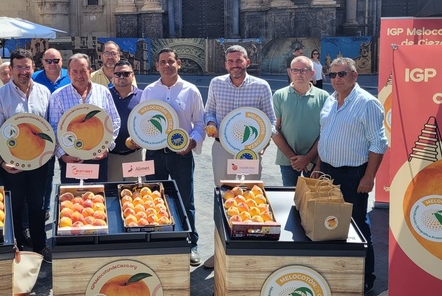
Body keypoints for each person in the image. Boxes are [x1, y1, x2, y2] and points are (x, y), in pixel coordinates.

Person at [313, 57, 387, 295]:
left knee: (357, 225)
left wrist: (369, 178)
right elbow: (325, 136)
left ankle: (366, 277)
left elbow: (379, 143)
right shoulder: (330, 100)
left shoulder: (367, 103)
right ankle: (337, 271)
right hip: (327, 171)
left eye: (341, 74)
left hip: (353, 175)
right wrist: (318, 164)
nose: (336, 79)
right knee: (328, 222)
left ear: (355, 75)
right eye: (332, 75)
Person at [141, 48, 205, 266]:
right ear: (157, 66)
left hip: (181, 154)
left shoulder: (191, 90)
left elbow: (200, 123)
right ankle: (158, 241)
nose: (167, 65)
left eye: (171, 61)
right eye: (162, 62)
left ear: (178, 63)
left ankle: (191, 244)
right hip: (154, 154)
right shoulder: (149, 90)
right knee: (153, 197)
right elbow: (143, 121)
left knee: (186, 200)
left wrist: (192, 142)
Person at [0, 49, 52, 262]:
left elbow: (49, 127)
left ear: (33, 67)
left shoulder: (44, 92)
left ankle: (40, 245)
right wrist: (3, 161)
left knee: (38, 205)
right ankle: (17, 248)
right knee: (14, 206)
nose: (23, 71)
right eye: (19, 67)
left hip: (39, 162)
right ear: (11, 69)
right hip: (12, 163)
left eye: (27, 67)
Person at [205, 45, 276, 185]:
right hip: (222, 146)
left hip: (250, 149)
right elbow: (209, 111)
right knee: (223, 190)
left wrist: (264, 141)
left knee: (250, 191)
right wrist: (211, 123)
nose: (234, 65)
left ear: (247, 62)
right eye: (230, 61)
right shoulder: (216, 83)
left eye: (239, 60)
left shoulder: (261, 86)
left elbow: (271, 120)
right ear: (226, 65)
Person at [49, 53, 120, 184]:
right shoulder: (58, 96)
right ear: (69, 73)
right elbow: (54, 127)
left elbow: (114, 121)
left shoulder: (103, 92)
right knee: (71, 200)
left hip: (98, 157)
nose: (79, 76)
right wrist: (62, 155)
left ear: (90, 71)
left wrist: (107, 147)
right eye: (75, 71)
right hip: (71, 159)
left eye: (83, 71)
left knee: (98, 198)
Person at [272, 55, 329, 187]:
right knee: (290, 200)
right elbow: (274, 130)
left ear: (312, 73)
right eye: (295, 70)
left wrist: (308, 158)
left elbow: (326, 132)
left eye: (303, 70)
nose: (299, 74)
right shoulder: (279, 96)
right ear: (290, 73)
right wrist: (294, 159)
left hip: (315, 161)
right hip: (287, 160)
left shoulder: (324, 97)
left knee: (314, 202)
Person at [32, 48, 70, 220]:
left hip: (66, 135)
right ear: (42, 62)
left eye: (56, 61)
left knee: (67, 171)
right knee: (46, 175)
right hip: (40, 137)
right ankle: (44, 207)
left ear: (62, 61)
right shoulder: (34, 78)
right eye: (49, 61)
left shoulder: (70, 75)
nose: (52, 64)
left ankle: (67, 206)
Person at [107, 60, 144, 181]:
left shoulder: (143, 96)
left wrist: (143, 141)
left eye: (126, 74)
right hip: (111, 155)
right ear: (113, 76)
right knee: (111, 193)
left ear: (133, 75)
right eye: (118, 74)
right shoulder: (105, 95)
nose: (122, 77)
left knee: (136, 193)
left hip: (136, 155)